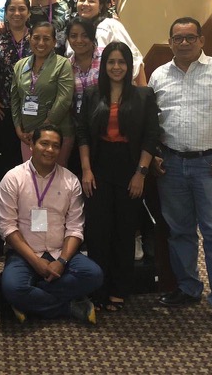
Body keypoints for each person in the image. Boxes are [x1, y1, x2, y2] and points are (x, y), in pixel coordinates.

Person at [149, 17, 212, 338]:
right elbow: (150, 121)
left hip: (210, 165)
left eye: (190, 37)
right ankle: (188, 288)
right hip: (171, 165)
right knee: (179, 232)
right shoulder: (158, 75)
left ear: (201, 40)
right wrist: (154, 154)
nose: (183, 43)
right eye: (177, 38)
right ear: (170, 42)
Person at [76, 42, 159, 312]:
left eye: (121, 62)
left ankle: (119, 289)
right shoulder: (92, 94)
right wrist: (86, 170)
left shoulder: (144, 95)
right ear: (104, 65)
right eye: (111, 62)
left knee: (124, 229)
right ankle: (98, 288)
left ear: (129, 66)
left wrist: (140, 174)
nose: (116, 67)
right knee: (98, 231)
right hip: (98, 167)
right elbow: (82, 133)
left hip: (130, 167)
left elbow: (151, 136)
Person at [0, 125, 103, 323]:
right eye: (44, 143)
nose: (50, 150)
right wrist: (36, 262)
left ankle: (31, 297)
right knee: (12, 287)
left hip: (59, 252)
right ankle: (70, 306)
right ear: (31, 145)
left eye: (55, 146)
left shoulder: (70, 181)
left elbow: (75, 228)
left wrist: (61, 261)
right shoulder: (13, 179)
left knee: (94, 275)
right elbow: (7, 227)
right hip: (24, 254)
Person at [10, 21, 74, 166]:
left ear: (54, 42)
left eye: (46, 39)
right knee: (30, 175)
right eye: (36, 38)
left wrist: (41, 130)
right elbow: (15, 99)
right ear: (29, 38)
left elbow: (64, 100)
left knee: (54, 176)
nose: (41, 43)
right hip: (27, 135)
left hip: (56, 134)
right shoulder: (20, 65)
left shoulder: (63, 64)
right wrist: (18, 128)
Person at [0, 0, 33, 181]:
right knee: (4, 157)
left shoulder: (36, 37)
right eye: (12, 9)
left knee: (27, 157)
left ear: (29, 13)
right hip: (1, 107)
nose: (17, 13)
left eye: (22, 9)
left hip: (30, 107)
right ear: (5, 13)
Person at [73, 0, 147, 85]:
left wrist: (143, 90)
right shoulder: (73, 31)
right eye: (82, 0)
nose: (85, 4)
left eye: (91, 1)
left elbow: (134, 58)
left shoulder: (110, 25)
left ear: (100, 6)